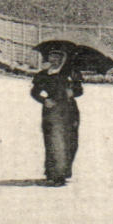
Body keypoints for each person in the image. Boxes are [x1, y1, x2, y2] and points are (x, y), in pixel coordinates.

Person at [29, 47, 82, 187]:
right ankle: (55, 174)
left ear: (63, 59)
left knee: (71, 142)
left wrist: (73, 92)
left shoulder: (70, 73)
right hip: (52, 112)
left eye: (57, 57)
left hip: (70, 111)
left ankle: (63, 171)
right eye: (52, 57)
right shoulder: (43, 75)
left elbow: (79, 90)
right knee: (54, 142)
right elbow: (34, 92)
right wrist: (44, 100)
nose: (54, 60)